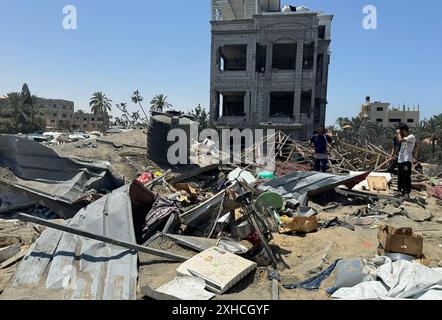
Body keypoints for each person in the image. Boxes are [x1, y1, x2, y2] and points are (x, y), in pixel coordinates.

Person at [396, 123, 417, 198]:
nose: (399, 133)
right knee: (400, 176)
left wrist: (398, 133)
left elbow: (400, 140)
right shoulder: (404, 137)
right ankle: (400, 191)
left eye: (400, 131)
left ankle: (406, 192)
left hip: (406, 160)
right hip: (400, 160)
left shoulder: (411, 137)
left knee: (406, 176)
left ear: (403, 130)